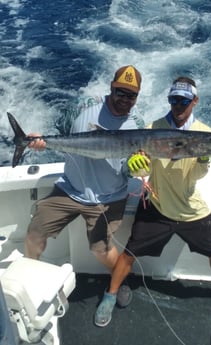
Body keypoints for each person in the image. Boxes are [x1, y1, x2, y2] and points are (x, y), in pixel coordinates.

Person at [94, 76, 211, 327]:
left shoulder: (204, 134)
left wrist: (203, 158)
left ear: (195, 100)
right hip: (156, 203)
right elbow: (139, 170)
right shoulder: (153, 126)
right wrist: (136, 166)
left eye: (184, 101)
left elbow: (197, 175)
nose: (178, 105)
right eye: (174, 100)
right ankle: (110, 294)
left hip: (189, 208)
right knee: (129, 253)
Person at [24, 65, 144, 308]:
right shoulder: (82, 106)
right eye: (120, 92)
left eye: (131, 95)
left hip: (109, 197)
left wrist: (135, 167)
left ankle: (120, 279)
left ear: (137, 97)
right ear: (111, 87)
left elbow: (129, 170)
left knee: (100, 250)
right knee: (34, 235)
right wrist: (39, 141)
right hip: (69, 188)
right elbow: (59, 132)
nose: (124, 99)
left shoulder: (137, 125)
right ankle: (31, 279)